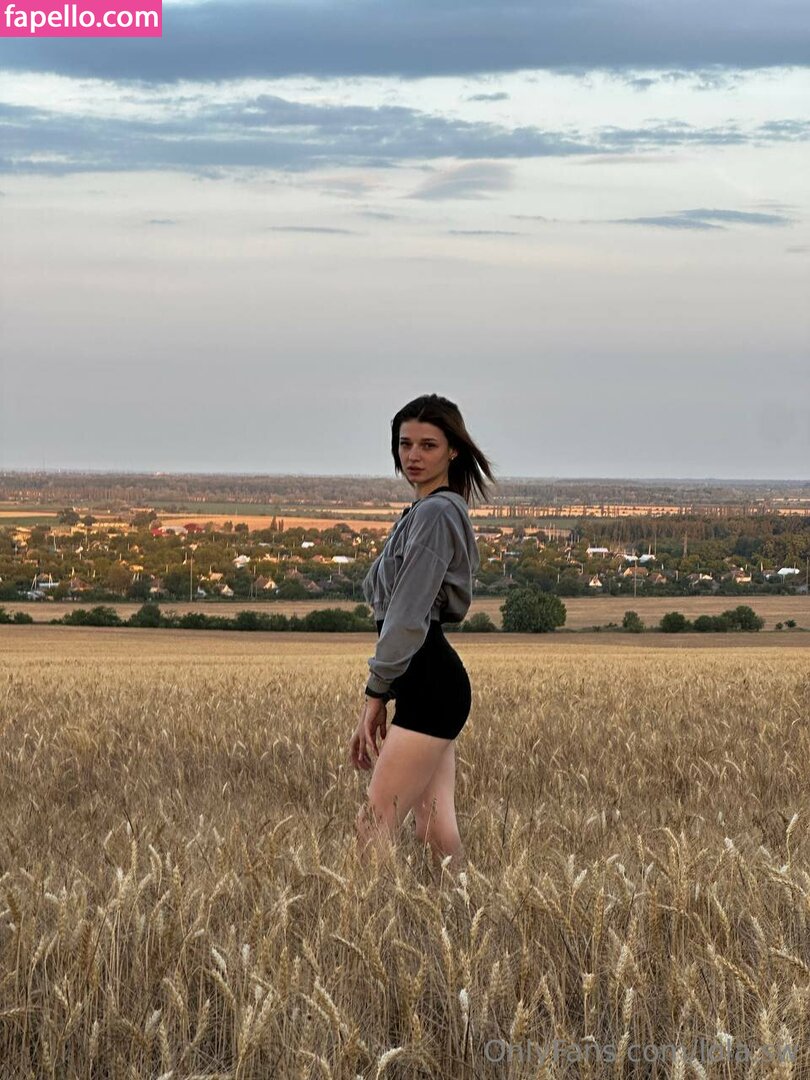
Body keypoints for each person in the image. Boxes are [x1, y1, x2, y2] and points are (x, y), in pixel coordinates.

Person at [348, 393, 495, 871]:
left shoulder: (434, 514)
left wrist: (376, 693)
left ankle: (362, 915)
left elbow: (408, 615)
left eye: (428, 445)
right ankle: (466, 908)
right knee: (433, 825)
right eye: (405, 443)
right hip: (428, 681)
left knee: (374, 823)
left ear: (453, 450)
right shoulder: (427, 510)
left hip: (429, 683)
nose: (413, 455)